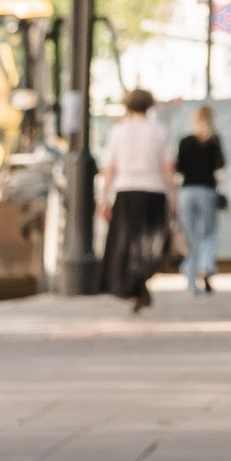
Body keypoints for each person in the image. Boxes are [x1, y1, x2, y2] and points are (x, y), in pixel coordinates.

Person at [97, 87, 176, 313]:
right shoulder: (160, 131)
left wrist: (103, 198)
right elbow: (167, 168)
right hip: (154, 192)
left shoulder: (118, 131)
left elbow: (109, 168)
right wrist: (173, 197)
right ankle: (139, 285)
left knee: (126, 244)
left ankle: (135, 289)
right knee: (150, 245)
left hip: (126, 191)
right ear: (150, 105)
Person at [174, 105, 226, 296]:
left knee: (190, 237)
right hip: (207, 190)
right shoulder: (214, 140)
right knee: (209, 233)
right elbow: (221, 164)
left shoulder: (185, 141)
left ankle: (191, 283)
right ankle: (205, 266)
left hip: (186, 191)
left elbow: (179, 167)